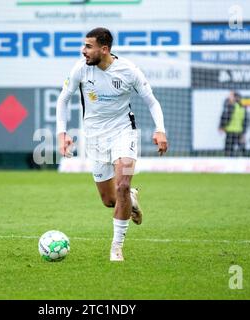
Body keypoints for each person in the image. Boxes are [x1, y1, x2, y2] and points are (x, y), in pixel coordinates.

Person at [56, 27, 168, 262]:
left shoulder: (129, 71)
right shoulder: (80, 69)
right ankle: (132, 200)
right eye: (84, 45)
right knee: (109, 200)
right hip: (95, 139)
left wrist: (160, 130)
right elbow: (63, 99)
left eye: (88, 46)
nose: (83, 51)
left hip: (123, 134)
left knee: (123, 185)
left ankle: (116, 248)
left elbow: (152, 101)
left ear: (104, 49)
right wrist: (61, 133)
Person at [219, 91, 248, 157]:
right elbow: (245, 121)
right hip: (239, 132)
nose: (229, 97)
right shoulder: (242, 107)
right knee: (242, 151)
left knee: (228, 152)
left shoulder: (230, 106)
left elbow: (225, 116)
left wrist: (221, 126)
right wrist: (243, 133)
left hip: (230, 132)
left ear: (234, 98)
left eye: (231, 96)